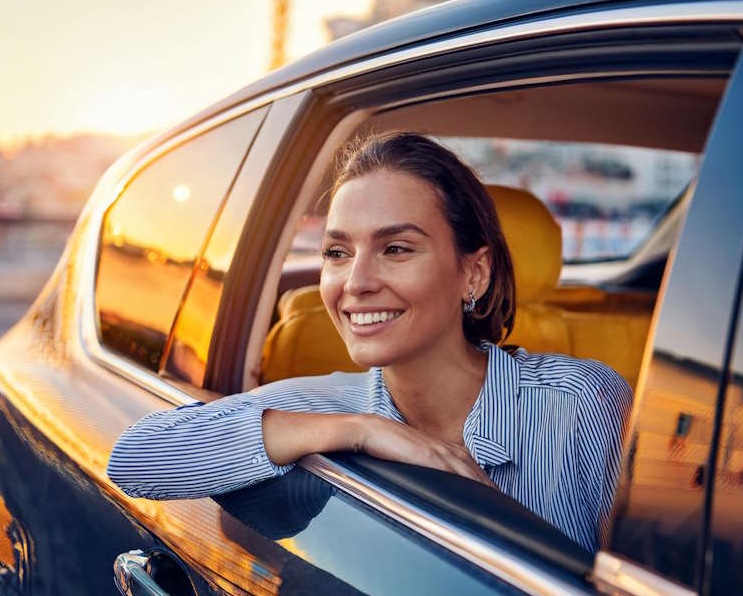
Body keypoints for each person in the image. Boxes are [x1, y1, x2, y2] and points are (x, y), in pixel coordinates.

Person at [107, 132, 633, 554]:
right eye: (337, 252)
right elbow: (134, 458)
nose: (355, 282)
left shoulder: (582, 403)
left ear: (474, 273)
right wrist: (360, 430)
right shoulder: (327, 408)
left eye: (396, 248)